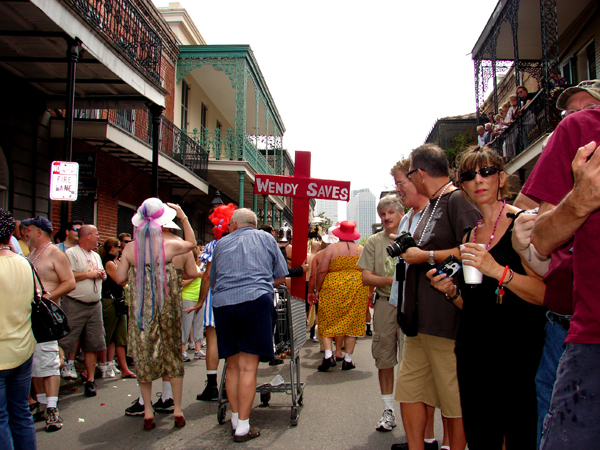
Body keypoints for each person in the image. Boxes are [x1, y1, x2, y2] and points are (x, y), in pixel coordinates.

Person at [427, 146, 546, 449]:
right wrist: (451, 290)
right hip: (474, 348)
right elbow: (474, 304)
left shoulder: (525, 223)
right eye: (469, 175)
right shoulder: (468, 236)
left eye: (486, 171)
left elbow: (544, 294)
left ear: (502, 177)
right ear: (463, 185)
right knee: (481, 435)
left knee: (520, 431)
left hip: (516, 347)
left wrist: (497, 270)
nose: (478, 179)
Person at [517, 80, 600, 449]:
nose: (574, 115)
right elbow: (539, 239)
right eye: (568, 110)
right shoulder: (578, 132)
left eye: (584, 106)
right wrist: (580, 200)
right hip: (581, 331)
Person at [394, 144, 482, 450]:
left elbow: (477, 248)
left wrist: (427, 255)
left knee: (454, 400)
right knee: (410, 391)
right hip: (419, 322)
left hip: (448, 320)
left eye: (408, 176)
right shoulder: (431, 205)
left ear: (419, 174)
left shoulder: (457, 199)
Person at [114, 198, 196, 430]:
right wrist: (183, 216)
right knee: (172, 355)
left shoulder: (131, 248)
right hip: (168, 310)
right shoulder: (172, 244)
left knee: (144, 355)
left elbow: (120, 279)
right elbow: (192, 243)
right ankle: (177, 408)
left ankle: (148, 410)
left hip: (142, 312)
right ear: (164, 220)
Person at [210, 208, 289, 442]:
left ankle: (235, 417)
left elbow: (214, 280)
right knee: (248, 367)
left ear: (234, 224)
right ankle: (243, 427)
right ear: (253, 224)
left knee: (232, 365)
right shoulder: (266, 238)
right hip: (255, 301)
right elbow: (281, 275)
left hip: (223, 304)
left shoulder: (221, 245)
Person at [389, 158, 449, 450]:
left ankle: (438, 440)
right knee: (415, 384)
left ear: (419, 179)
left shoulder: (442, 210)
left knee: (445, 388)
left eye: (402, 182)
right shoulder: (408, 218)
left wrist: (425, 256)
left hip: (439, 309)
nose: (399, 189)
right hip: (409, 306)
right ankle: (424, 440)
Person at [21, 216, 75, 432]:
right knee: (34, 362)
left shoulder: (55, 253)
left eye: (28, 229)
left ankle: (52, 408)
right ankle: (42, 405)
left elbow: (69, 282)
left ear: (39, 231)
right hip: (28, 316)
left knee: (49, 362)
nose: (24, 233)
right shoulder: (30, 254)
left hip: (44, 316)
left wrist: (47, 297)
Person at [357, 195, 404, 432]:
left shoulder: (414, 235)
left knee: (411, 361)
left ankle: (413, 416)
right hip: (385, 303)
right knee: (384, 359)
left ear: (401, 214)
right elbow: (366, 277)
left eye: (391, 213)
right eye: (383, 214)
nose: (386, 218)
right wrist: (395, 280)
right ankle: (388, 410)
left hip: (411, 305)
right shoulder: (374, 241)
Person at [184, 203, 237, 402]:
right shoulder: (241, 244)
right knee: (233, 340)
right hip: (237, 296)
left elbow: (207, 276)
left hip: (216, 295)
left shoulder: (214, 246)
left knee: (213, 339)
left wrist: (200, 302)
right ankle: (229, 383)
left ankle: (212, 385)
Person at [0, 209, 37, 449]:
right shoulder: (25, 263)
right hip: (23, 348)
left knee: (2, 418)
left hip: (3, 351)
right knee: (21, 413)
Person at [59, 225, 107, 397]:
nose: (98, 237)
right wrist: (88, 274)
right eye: (96, 234)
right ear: (87, 236)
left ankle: (90, 380)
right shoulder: (71, 253)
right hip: (75, 303)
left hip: (94, 304)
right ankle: (63, 369)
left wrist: (101, 274)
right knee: (68, 339)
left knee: (93, 343)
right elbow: (66, 275)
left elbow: (101, 274)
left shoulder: (95, 255)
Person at [315, 220, 369, 372]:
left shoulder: (332, 249)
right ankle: (348, 359)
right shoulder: (361, 249)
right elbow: (367, 270)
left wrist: (317, 289)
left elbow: (321, 270)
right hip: (356, 288)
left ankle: (327, 355)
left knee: (327, 318)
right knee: (352, 322)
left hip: (333, 286)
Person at [98, 238, 136, 379]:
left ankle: (123, 367)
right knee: (108, 334)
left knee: (120, 336)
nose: (121, 249)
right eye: (118, 246)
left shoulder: (116, 262)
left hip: (120, 301)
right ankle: (104, 363)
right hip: (110, 301)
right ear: (112, 248)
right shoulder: (109, 263)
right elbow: (120, 280)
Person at [181, 246, 205, 362]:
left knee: (198, 324)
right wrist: (196, 275)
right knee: (185, 325)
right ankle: (182, 350)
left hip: (198, 298)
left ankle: (198, 349)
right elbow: (182, 283)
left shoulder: (198, 267)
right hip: (187, 298)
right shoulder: (188, 268)